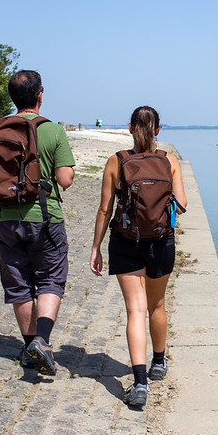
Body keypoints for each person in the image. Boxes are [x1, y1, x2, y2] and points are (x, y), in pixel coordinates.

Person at [89, 106, 187, 407]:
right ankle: (159, 362)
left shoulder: (116, 161)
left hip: (125, 241)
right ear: (158, 130)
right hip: (160, 242)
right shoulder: (169, 161)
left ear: (130, 128)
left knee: (135, 310)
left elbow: (105, 209)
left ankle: (140, 383)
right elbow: (182, 203)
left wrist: (96, 247)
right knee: (157, 305)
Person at [0, 70, 76, 375]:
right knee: (50, 278)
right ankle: (42, 340)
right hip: (44, 217)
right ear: (40, 96)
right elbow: (65, 180)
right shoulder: (53, 131)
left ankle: (28, 348)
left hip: (4, 218)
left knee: (19, 283)